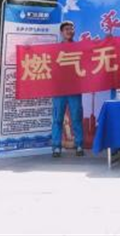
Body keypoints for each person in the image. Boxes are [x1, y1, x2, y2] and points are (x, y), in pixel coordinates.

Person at [52, 21, 84, 157]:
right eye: (67, 29)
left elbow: (93, 54)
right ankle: (56, 146)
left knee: (76, 117)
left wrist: (107, 41)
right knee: (57, 118)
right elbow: (43, 59)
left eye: (71, 29)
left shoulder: (79, 47)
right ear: (61, 32)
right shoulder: (55, 49)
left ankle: (79, 144)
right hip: (59, 89)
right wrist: (29, 51)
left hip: (74, 88)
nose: (70, 31)